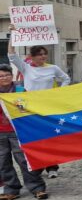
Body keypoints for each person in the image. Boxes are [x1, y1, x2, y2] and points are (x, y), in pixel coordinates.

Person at [7, 24, 71, 178]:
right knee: (34, 138)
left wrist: (58, 92)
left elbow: (66, 78)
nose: (43, 57)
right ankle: (37, 166)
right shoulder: (26, 68)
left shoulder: (53, 68)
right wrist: (12, 34)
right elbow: (12, 55)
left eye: (44, 54)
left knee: (49, 137)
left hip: (48, 106)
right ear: (33, 56)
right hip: (30, 108)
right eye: (40, 54)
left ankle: (52, 167)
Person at [0, 64, 48, 200]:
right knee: (3, 162)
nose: (4, 78)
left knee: (24, 160)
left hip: (18, 131)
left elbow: (28, 109)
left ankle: (37, 188)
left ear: (12, 75)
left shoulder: (20, 90)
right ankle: (11, 189)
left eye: (7, 75)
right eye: (1, 76)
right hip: (0, 133)